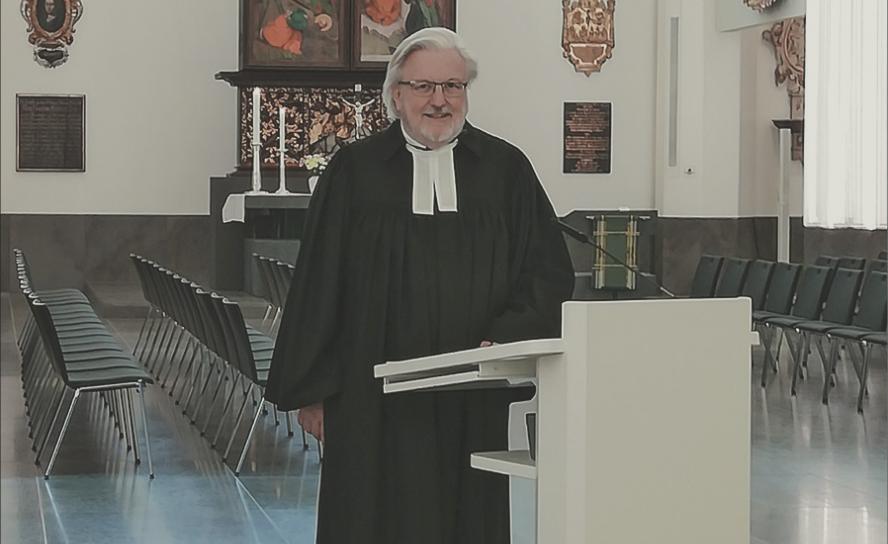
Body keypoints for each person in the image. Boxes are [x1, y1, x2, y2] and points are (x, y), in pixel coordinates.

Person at [265, 27, 574, 544]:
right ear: (396, 94)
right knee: (371, 516)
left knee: (467, 516)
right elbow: (319, 282)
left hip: (470, 389)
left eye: (452, 86)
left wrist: (506, 337)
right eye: (425, 87)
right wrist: (313, 391)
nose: (439, 100)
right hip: (371, 396)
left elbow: (546, 271)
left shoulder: (506, 170)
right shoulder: (354, 171)